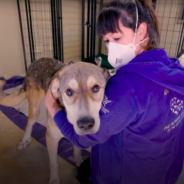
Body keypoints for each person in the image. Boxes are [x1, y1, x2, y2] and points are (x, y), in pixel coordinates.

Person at [45, 0, 184, 183]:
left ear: (141, 31)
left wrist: (52, 106)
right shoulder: (173, 67)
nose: (111, 47)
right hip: (164, 172)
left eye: (116, 39)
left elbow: (81, 139)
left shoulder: (125, 88)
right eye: (107, 41)